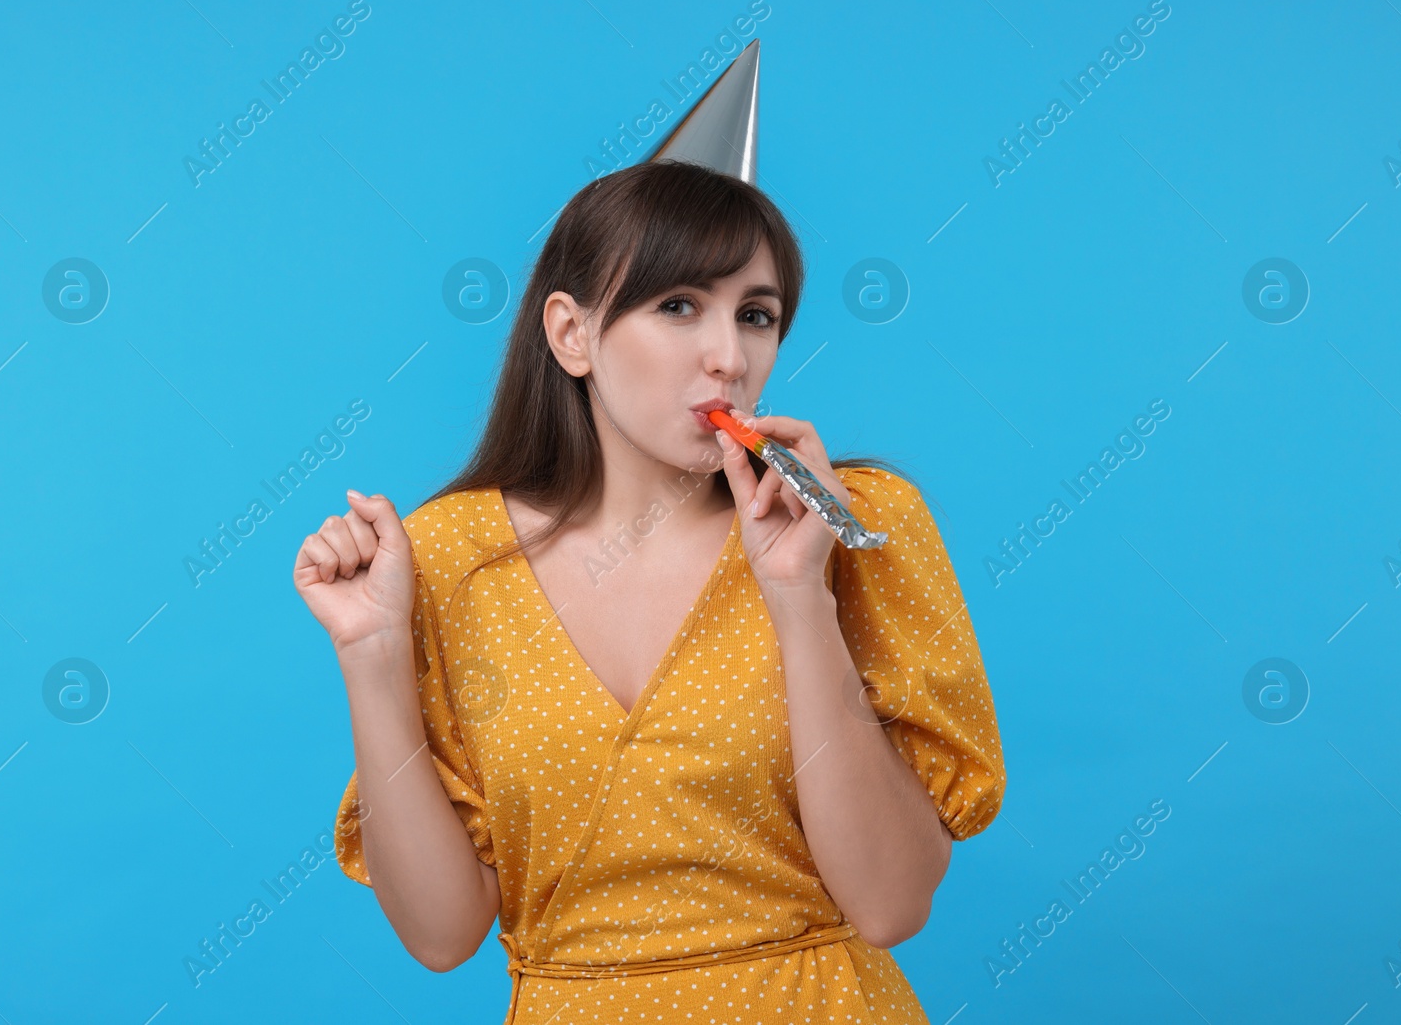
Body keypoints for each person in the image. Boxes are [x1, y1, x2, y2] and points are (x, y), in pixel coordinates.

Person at [294, 158, 1006, 1024]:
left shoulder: (848, 523)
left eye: (757, 315)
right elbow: (441, 935)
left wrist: (799, 598)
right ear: (572, 334)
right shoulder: (447, 558)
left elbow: (892, 905)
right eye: (679, 306)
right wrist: (372, 654)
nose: (729, 356)